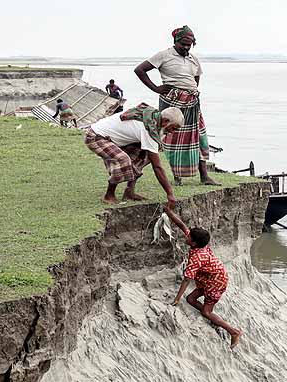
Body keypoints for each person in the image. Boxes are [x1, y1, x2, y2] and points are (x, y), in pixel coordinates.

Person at [134, 25, 219, 186]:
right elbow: (140, 70)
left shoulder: (193, 58)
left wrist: (190, 91)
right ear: (176, 41)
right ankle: (176, 177)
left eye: (189, 45)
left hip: (192, 102)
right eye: (183, 45)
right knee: (172, 139)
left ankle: (204, 176)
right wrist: (156, 88)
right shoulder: (164, 55)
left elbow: (195, 79)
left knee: (200, 137)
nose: (186, 48)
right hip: (172, 102)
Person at [168, 210, 243, 349]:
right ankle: (213, 317)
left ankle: (233, 331)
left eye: (189, 236)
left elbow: (186, 279)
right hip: (210, 278)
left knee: (206, 312)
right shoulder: (200, 244)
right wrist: (169, 212)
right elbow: (182, 225)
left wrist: (177, 299)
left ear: (194, 243)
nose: (187, 235)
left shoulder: (197, 258)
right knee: (190, 299)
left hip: (216, 284)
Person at [84, 103, 181, 206]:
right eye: (173, 128)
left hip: (115, 139)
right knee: (123, 159)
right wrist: (170, 194)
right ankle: (109, 195)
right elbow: (157, 167)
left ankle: (129, 191)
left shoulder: (156, 119)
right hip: (96, 136)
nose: (173, 132)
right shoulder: (148, 128)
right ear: (165, 121)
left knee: (146, 156)